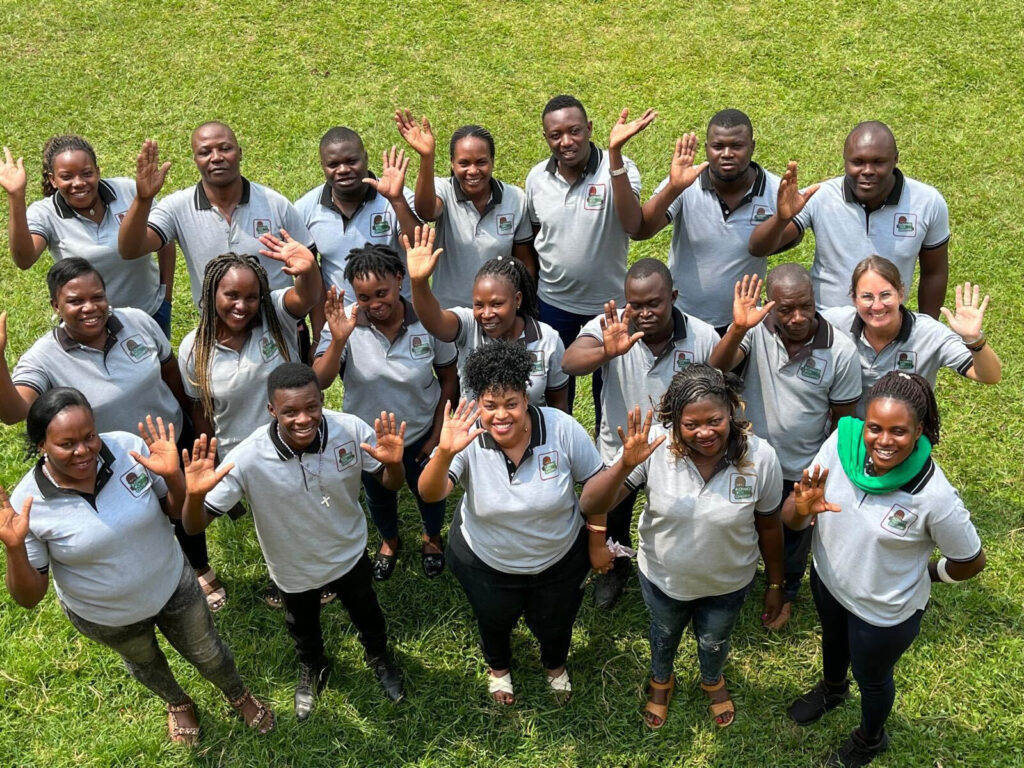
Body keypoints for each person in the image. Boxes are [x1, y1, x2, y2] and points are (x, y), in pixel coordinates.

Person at [0, 389, 274, 744]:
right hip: (107, 616)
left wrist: (175, 477)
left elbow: (176, 512)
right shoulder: (28, 503)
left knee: (209, 652)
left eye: (89, 437)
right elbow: (28, 597)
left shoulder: (128, 449)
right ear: (41, 446)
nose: (83, 451)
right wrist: (14, 548)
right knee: (145, 662)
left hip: (173, 584)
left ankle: (237, 693)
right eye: (66, 444)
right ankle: (177, 702)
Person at [181, 363, 406, 720]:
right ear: (272, 410)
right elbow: (193, 527)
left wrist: (395, 465)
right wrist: (192, 496)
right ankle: (314, 666)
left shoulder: (350, 430)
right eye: (289, 412)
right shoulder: (247, 458)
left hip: (348, 552)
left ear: (321, 400)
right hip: (291, 566)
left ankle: (379, 656)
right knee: (302, 627)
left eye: (311, 407)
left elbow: (391, 483)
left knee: (367, 613)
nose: (303, 419)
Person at [782, 372, 985, 766]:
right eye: (874, 427)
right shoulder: (840, 447)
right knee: (833, 642)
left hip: (883, 612)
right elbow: (792, 519)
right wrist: (802, 510)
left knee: (872, 677)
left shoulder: (934, 496)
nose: (883, 441)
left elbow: (971, 560)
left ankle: (870, 738)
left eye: (899, 431)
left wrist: (928, 574)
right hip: (829, 580)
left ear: (920, 429)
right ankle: (833, 689)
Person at [0, 259, 220, 611]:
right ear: (55, 305)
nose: (90, 308)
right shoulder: (43, 358)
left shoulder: (137, 321)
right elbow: (13, 413)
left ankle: (198, 565)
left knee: (184, 508)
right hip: (113, 460)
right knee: (139, 520)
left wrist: (194, 420)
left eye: (97, 296)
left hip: (170, 440)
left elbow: (170, 373)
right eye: (75, 301)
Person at [582, 365, 784, 729]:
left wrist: (774, 584)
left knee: (714, 641)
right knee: (663, 634)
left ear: (732, 410)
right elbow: (592, 503)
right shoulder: (654, 446)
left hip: (729, 583)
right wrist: (625, 464)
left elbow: (769, 524)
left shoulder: (761, 457)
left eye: (715, 420)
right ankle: (662, 679)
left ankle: (712, 679)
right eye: (690, 424)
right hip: (664, 579)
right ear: (673, 421)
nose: (705, 433)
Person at [418, 341, 614, 705]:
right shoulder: (466, 436)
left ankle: (555, 665)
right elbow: (431, 494)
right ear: (478, 404)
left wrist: (597, 541)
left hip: (559, 559)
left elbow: (596, 485)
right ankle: (499, 668)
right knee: (493, 620)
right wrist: (444, 452)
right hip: (485, 561)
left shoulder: (562, 429)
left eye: (511, 403)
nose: (501, 416)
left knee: (556, 621)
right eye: (490, 406)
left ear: (526, 398)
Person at [562, 258, 720, 609]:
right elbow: (569, 362)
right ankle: (615, 567)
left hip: (681, 452)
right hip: (622, 450)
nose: (644, 312)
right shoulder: (612, 325)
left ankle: (678, 570)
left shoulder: (703, 336)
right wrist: (607, 350)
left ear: (674, 297)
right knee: (611, 515)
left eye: (654, 303)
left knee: (680, 515)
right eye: (636, 304)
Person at [712, 266, 861, 628]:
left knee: (794, 535)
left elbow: (843, 422)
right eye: (786, 310)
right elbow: (716, 369)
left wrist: (825, 472)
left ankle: (786, 590)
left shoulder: (839, 351)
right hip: (746, 461)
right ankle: (735, 582)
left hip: (801, 466)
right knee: (736, 522)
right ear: (770, 306)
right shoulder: (755, 332)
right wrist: (738, 329)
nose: (797, 318)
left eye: (806, 307)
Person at [177, 239, 322, 608]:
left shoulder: (276, 316)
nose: (242, 306)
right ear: (212, 294)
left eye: (251, 297)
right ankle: (283, 577)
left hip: (295, 441)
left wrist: (307, 272)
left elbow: (304, 298)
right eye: (231, 295)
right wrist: (211, 458)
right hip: (242, 455)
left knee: (303, 509)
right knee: (271, 521)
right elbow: (200, 410)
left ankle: (315, 571)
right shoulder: (194, 348)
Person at [311, 244, 458, 580]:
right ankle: (389, 540)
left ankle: (431, 538)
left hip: (421, 433)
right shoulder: (343, 324)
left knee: (429, 495)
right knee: (378, 495)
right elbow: (320, 379)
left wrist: (436, 437)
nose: (375, 304)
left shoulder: (428, 318)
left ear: (400, 280)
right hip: (368, 440)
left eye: (382, 293)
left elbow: (449, 380)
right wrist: (337, 341)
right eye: (364, 298)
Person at [610, 109, 786, 335]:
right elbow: (641, 230)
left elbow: (782, 240)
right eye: (718, 146)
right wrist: (674, 187)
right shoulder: (686, 183)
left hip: (740, 322)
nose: (727, 154)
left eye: (737, 146)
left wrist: (783, 217)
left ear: (752, 147)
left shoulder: (775, 191)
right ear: (706, 148)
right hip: (685, 319)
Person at [748, 121, 950, 316]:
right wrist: (781, 219)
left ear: (896, 159)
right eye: (858, 162)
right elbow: (758, 248)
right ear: (845, 159)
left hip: (886, 323)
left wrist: (926, 329)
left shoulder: (928, 202)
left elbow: (934, 272)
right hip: (827, 328)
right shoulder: (821, 196)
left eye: (878, 162)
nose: (868, 171)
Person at [525, 95, 643, 414]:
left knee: (610, 393)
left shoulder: (619, 169)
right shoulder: (537, 178)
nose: (566, 141)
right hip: (553, 302)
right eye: (556, 135)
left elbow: (633, 224)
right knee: (554, 390)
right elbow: (536, 238)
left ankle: (606, 457)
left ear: (590, 129)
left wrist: (616, 157)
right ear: (546, 137)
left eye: (575, 131)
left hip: (609, 304)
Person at [117, 122, 315, 309]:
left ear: (240, 153)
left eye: (225, 148)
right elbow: (130, 250)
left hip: (278, 327)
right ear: (195, 160)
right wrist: (143, 200)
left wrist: (317, 339)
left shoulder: (275, 204)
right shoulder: (177, 207)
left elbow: (311, 268)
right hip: (216, 332)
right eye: (205, 152)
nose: (216, 157)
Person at [0, 138, 175, 335]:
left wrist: (165, 295)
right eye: (66, 176)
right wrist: (15, 197)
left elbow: (164, 240)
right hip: (90, 326)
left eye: (87, 174)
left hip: (149, 313)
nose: (78, 183)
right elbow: (24, 259)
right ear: (53, 180)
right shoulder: (45, 213)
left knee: (159, 366)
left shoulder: (129, 191)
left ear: (98, 172)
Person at [406, 225, 569, 410]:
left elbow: (558, 402)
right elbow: (434, 321)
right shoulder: (469, 326)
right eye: (479, 305)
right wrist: (419, 282)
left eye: (497, 304)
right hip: (475, 435)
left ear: (517, 299)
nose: (487, 314)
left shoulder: (547, 339)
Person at [820, 256, 1001, 414]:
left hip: (905, 438)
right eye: (867, 297)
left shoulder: (930, 334)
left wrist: (974, 340)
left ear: (900, 293)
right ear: (854, 299)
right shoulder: (834, 323)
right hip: (848, 434)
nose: (877, 306)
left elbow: (990, 376)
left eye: (885, 295)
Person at [394, 111, 535, 307]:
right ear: (452, 163)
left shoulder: (515, 198)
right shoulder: (444, 189)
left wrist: (525, 306)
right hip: (449, 314)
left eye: (481, 162)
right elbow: (427, 212)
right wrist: (427, 157)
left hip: (496, 312)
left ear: (492, 161)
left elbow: (525, 261)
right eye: (464, 163)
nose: (473, 171)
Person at [294, 126, 420, 307]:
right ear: (323, 166)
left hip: (400, 318)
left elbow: (418, 247)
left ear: (366, 158)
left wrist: (397, 200)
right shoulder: (305, 209)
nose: (343, 169)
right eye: (333, 164)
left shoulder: (396, 197)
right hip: (343, 324)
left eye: (352, 161)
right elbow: (309, 275)